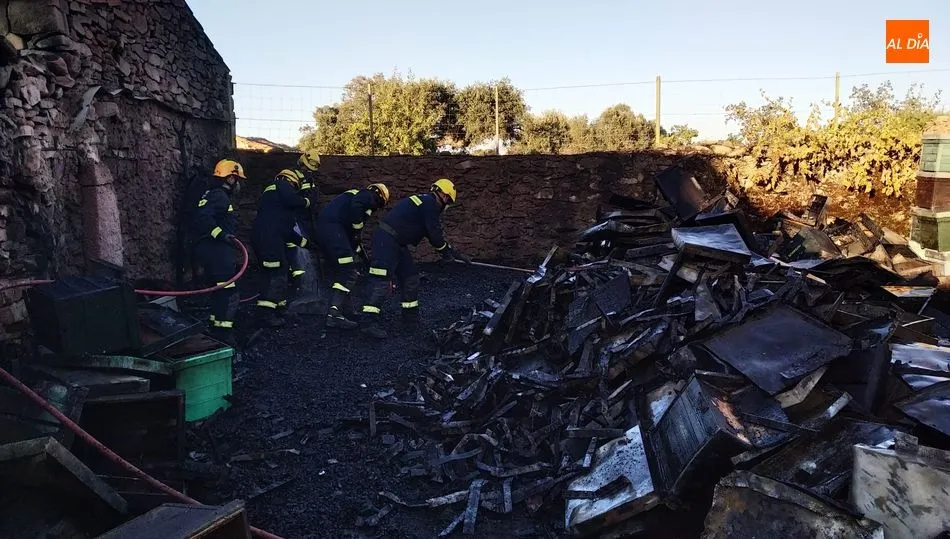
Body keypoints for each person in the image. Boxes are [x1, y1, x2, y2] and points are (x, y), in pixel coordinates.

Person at [360, 178, 471, 339]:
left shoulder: (424, 203)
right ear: (445, 196)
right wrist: (446, 252)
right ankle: (367, 323)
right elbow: (434, 232)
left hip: (398, 244)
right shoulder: (429, 204)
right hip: (386, 240)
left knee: (411, 278)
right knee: (380, 281)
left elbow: (432, 233)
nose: (446, 207)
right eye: (448, 202)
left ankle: (410, 320)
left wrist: (451, 252)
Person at [316, 183, 390, 329]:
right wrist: (358, 231)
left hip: (328, 234)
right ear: (379, 196)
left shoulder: (349, 205)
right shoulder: (367, 195)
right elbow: (357, 208)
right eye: (379, 205)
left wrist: (362, 255)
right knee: (348, 273)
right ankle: (334, 315)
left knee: (343, 272)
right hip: (333, 233)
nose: (374, 210)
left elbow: (352, 240)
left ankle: (345, 310)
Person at [190, 158, 246, 345]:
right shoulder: (218, 196)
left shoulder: (213, 195)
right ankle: (224, 336)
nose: (238, 184)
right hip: (217, 252)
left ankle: (216, 328)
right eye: (236, 179)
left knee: (219, 290)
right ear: (230, 178)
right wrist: (222, 235)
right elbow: (202, 219)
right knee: (228, 292)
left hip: (214, 251)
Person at [251, 167, 312, 328]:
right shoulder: (282, 185)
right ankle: (266, 314)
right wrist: (306, 201)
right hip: (269, 240)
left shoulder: (273, 199)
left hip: (266, 237)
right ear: (291, 181)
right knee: (275, 275)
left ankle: (279, 308)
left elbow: (284, 230)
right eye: (295, 188)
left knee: (277, 272)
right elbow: (292, 201)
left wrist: (305, 243)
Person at [285, 150, 322, 299]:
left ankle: (304, 284)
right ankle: (294, 283)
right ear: (301, 164)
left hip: (304, 219)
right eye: (306, 168)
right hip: (293, 218)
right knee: (293, 250)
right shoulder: (291, 177)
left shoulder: (309, 179)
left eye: (310, 170)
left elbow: (311, 200)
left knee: (304, 249)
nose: (308, 171)